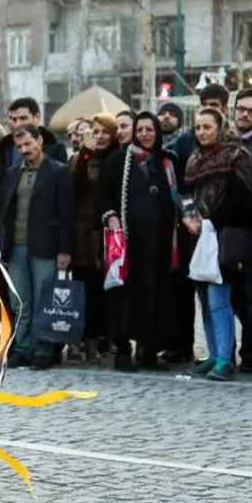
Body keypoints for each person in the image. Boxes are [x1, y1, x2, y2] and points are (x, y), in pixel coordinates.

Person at [0, 124, 73, 369]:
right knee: (19, 300)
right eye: (20, 146)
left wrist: (64, 250)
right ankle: (22, 347)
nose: (25, 150)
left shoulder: (58, 172)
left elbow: (66, 214)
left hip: (45, 246)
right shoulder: (13, 173)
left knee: (44, 298)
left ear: (39, 141)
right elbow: (4, 210)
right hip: (17, 246)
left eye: (28, 144)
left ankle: (43, 349)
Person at [180, 108, 252, 382]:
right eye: (198, 127)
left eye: (207, 127)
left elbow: (244, 197)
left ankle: (225, 358)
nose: (201, 132)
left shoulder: (237, 154)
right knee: (204, 298)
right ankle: (212, 354)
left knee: (219, 300)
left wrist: (214, 221)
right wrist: (189, 218)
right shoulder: (194, 158)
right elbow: (186, 193)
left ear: (219, 127)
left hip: (223, 237)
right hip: (197, 237)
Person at [100, 112, 178, 371]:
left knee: (154, 296)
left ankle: (149, 351)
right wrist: (111, 217)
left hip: (157, 244)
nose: (145, 134)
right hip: (128, 242)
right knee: (124, 296)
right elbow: (104, 195)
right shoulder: (119, 159)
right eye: (140, 129)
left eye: (150, 129)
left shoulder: (165, 161)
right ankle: (122, 351)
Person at [70, 114, 119, 363]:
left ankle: (105, 337)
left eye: (104, 132)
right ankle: (84, 337)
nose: (99, 137)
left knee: (106, 289)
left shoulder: (117, 158)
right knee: (83, 286)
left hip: (106, 233)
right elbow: (74, 188)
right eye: (96, 132)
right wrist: (84, 156)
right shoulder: (81, 159)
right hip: (82, 232)